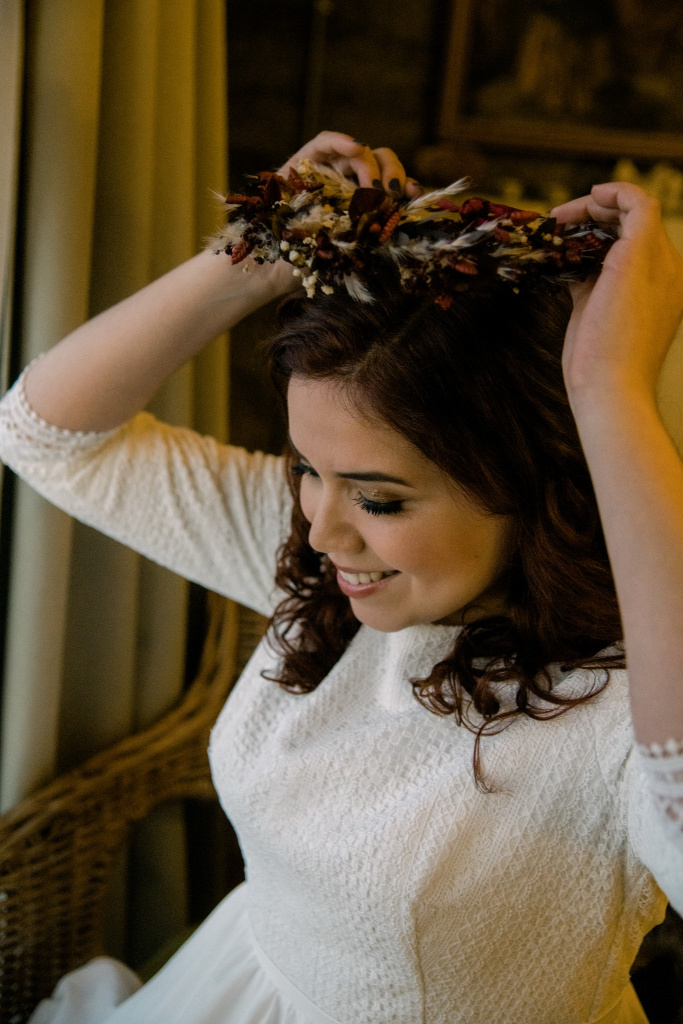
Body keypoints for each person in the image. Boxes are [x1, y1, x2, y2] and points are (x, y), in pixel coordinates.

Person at [1, 131, 682, 1024]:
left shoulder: (621, 704)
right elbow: (44, 436)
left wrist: (609, 392)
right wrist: (262, 254)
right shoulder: (328, 564)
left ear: (531, 487)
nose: (321, 532)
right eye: (305, 469)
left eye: (379, 499)